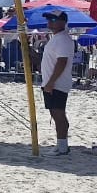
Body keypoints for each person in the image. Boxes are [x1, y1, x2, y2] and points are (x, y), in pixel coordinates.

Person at [40, 10, 75, 155]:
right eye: (49, 19)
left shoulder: (63, 39)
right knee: (55, 114)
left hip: (57, 83)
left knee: (58, 114)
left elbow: (62, 62)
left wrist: (51, 82)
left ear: (62, 22)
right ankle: (61, 144)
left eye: (53, 19)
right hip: (51, 82)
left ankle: (62, 146)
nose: (50, 22)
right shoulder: (56, 38)